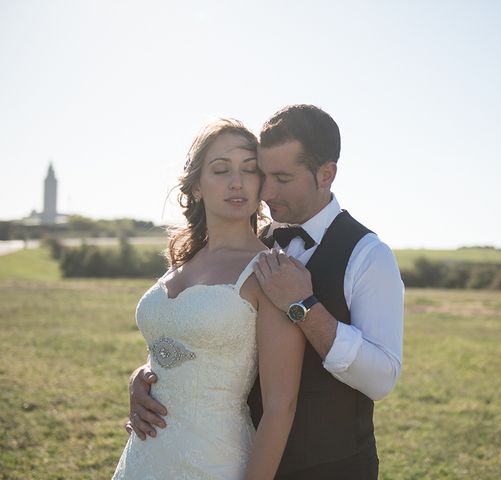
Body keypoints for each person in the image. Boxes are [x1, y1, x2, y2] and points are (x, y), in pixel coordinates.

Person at [127, 105, 404, 479]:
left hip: (330, 467)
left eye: (282, 178)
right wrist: (149, 376)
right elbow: (213, 337)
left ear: (327, 174)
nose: (265, 190)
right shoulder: (250, 244)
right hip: (235, 451)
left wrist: (303, 306)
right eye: (264, 174)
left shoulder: (369, 256)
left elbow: (381, 379)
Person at [113, 119, 305, 479]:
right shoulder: (184, 262)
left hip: (215, 461)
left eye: (250, 170)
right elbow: (178, 346)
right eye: (221, 170)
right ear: (197, 186)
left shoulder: (270, 272)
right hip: (145, 458)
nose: (237, 182)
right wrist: (139, 377)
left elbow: (282, 407)